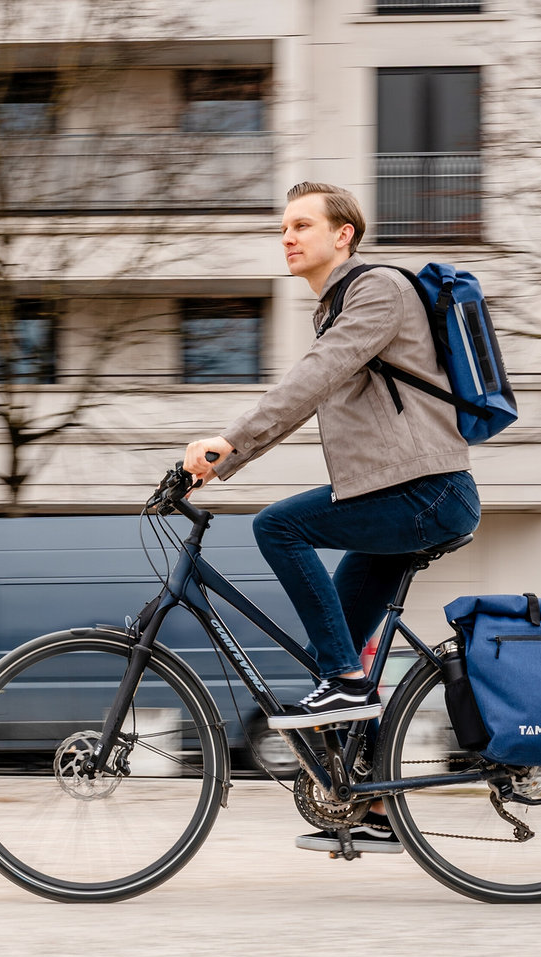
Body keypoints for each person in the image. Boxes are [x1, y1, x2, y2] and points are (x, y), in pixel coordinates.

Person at [183, 181, 480, 853]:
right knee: (333, 648)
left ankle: (347, 686)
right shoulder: (340, 305)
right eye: (282, 227)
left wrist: (227, 446)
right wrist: (226, 458)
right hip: (401, 493)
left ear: (342, 234)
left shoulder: (376, 291)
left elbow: (315, 377)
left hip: (425, 492)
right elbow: (316, 382)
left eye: (301, 225)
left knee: (276, 527)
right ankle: (374, 806)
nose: (286, 237)